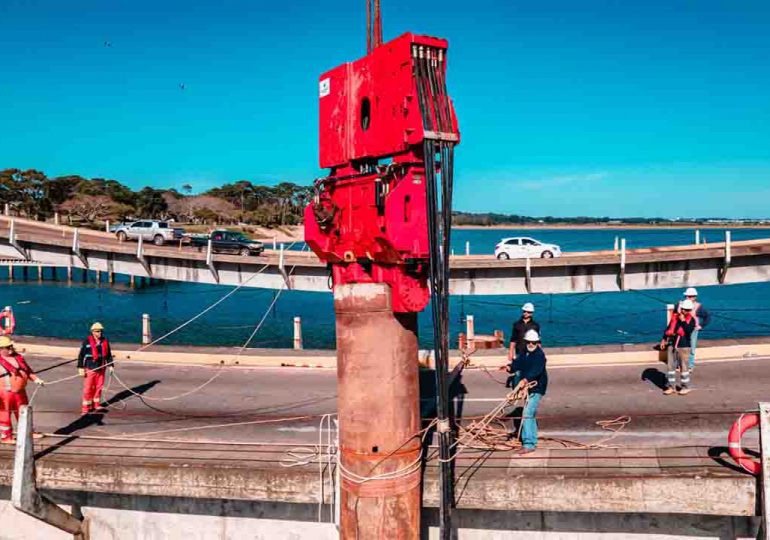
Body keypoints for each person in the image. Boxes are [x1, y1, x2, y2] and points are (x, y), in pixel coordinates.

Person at [503, 329, 548, 455]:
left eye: (533, 342)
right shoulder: (524, 353)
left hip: (536, 388)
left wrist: (526, 380)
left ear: (537, 342)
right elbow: (518, 363)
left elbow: (536, 371)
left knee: (527, 413)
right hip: (526, 387)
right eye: (529, 342)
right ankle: (532, 439)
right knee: (530, 414)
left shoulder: (540, 356)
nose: (531, 344)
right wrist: (509, 368)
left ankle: (529, 444)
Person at [0, 336, 44, 443]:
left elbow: (28, 371)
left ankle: (28, 432)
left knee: (23, 413)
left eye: (11, 346)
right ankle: (6, 436)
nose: (11, 349)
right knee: (4, 414)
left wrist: (37, 379)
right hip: (5, 392)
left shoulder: (18, 358)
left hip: (20, 392)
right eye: (7, 347)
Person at [660, 299, 697, 395]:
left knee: (684, 368)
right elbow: (668, 329)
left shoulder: (691, 320)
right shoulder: (675, 317)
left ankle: (685, 386)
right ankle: (671, 386)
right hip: (672, 345)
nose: (684, 311)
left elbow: (688, 331)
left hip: (684, 346)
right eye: (683, 309)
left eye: (687, 310)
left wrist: (683, 321)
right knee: (670, 367)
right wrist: (663, 339)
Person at [77, 322, 114, 414]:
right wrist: (80, 367)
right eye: (97, 331)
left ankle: (96, 404)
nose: (99, 333)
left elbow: (108, 355)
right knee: (88, 388)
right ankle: (85, 407)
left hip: (101, 367)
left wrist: (111, 366)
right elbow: (81, 355)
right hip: (90, 368)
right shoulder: (87, 342)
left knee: (99, 387)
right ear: (93, 332)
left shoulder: (105, 341)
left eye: (101, 331)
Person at [679, 287, 710, 371]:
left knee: (691, 347)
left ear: (694, 297)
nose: (687, 298)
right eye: (686, 296)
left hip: (693, 330)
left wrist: (701, 326)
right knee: (680, 347)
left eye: (689, 296)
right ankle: (680, 364)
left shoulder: (698, 307)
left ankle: (690, 365)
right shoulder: (680, 304)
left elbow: (707, 317)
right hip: (681, 329)